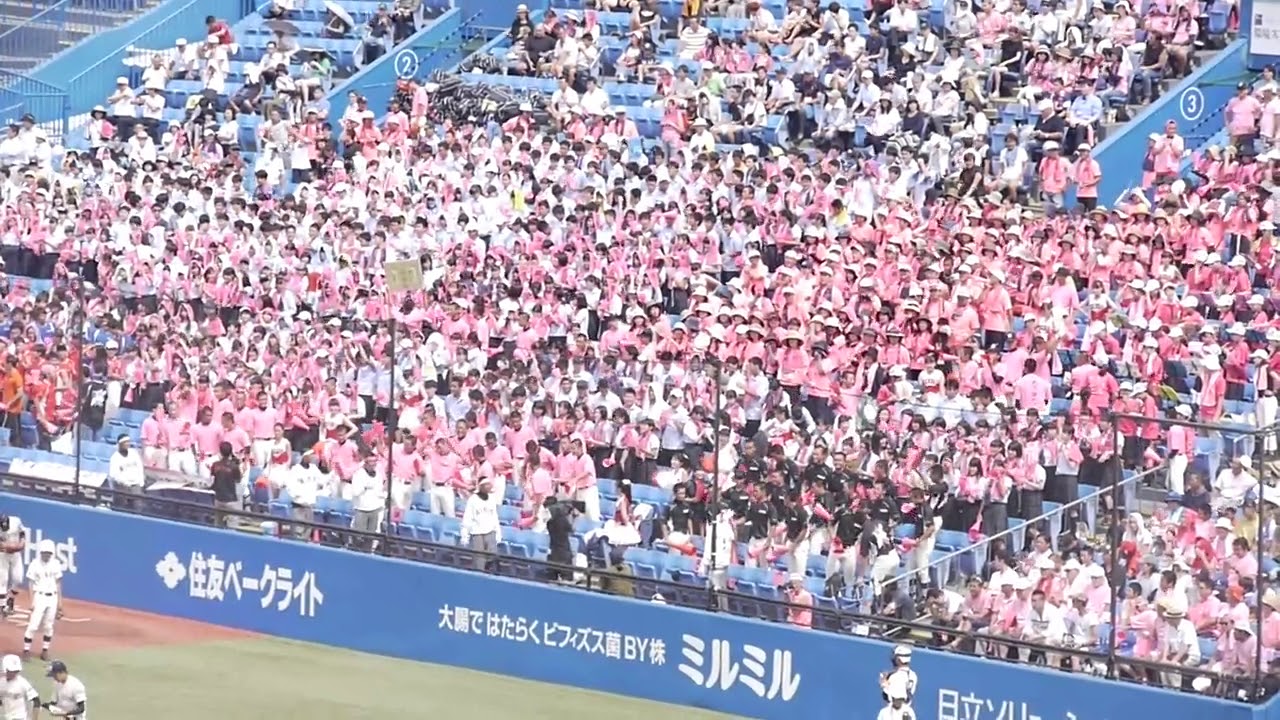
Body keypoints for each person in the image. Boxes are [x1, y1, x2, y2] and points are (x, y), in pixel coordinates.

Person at [22, 540, 62, 662]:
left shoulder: (55, 564)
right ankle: (26, 651)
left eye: (49, 553)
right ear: (40, 552)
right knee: (33, 625)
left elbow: (58, 583)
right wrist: (31, 601)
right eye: (44, 553)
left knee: (49, 626)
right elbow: (30, 583)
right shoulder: (34, 564)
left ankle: (45, 650)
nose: (47, 555)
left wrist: (60, 603)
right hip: (39, 596)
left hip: (53, 597)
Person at [460, 479, 501, 571]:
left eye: (489, 485)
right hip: (477, 532)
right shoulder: (473, 500)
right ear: (481, 486)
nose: (489, 487)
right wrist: (464, 536)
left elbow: (494, 517)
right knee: (479, 559)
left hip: (490, 531)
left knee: (492, 556)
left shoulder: (491, 499)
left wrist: (498, 533)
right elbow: (467, 518)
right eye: (486, 485)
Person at [208, 441, 243, 528]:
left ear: (220, 452)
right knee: (232, 526)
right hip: (231, 500)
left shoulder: (215, 465)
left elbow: (212, 480)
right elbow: (238, 480)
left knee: (218, 525)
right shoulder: (234, 466)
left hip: (219, 499)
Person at [0, 514, 25, 617]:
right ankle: (2, 606)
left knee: (18, 579)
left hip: (15, 556)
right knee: (3, 580)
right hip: (2, 555)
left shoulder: (16, 521)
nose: (4, 527)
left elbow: (22, 533)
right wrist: (10, 547)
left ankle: (11, 599)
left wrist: (21, 544)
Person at [0, 654, 39, 720]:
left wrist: (34, 718)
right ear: (5, 669)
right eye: (11, 671)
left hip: (20, 717)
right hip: (8, 717)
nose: (13, 673)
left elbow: (37, 701)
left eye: (15, 671)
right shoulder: (1, 682)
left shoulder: (22, 682)